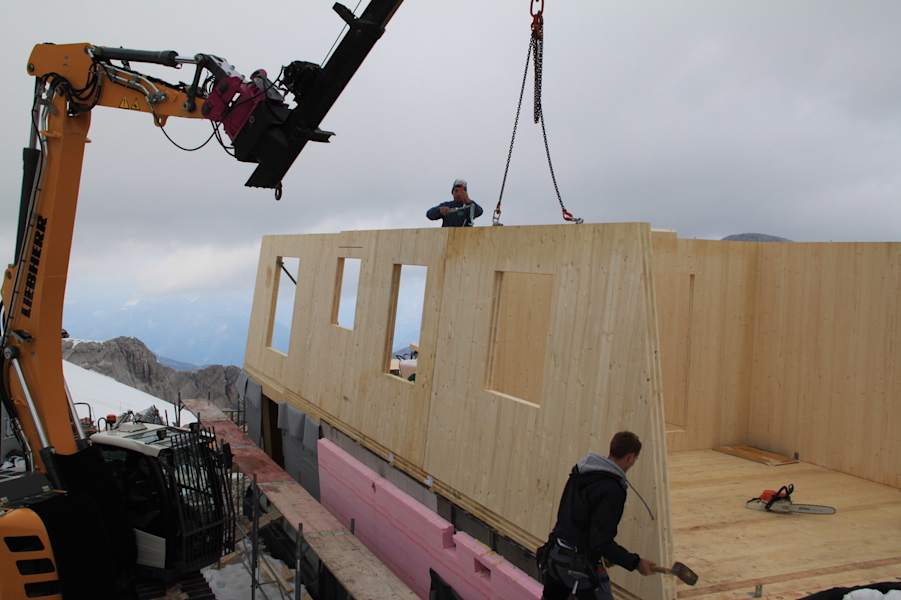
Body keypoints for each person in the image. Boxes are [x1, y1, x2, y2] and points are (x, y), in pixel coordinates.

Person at [539, 431, 656, 600]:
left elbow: (573, 518)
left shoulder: (582, 472)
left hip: (555, 555)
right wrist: (636, 563)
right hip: (577, 565)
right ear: (630, 457)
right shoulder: (613, 490)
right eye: (634, 459)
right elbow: (600, 542)